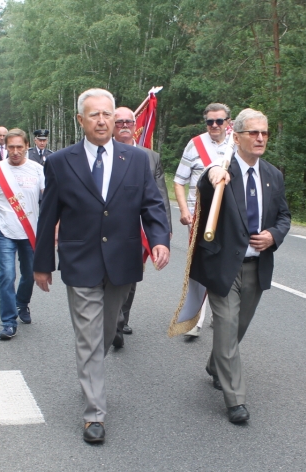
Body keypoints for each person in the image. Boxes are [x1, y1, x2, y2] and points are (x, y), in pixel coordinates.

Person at [33, 88, 171, 444]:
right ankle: (94, 413)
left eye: (107, 114)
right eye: (93, 114)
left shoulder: (137, 159)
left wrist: (159, 239)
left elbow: (153, 205)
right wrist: (42, 264)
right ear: (80, 120)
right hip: (80, 262)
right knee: (89, 337)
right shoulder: (60, 162)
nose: (101, 120)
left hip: (122, 261)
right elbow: (48, 217)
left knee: (107, 332)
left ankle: (89, 374)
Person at [191, 108, 291, 424]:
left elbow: (284, 216)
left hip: (256, 267)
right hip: (223, 265)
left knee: (237, 328)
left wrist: (273, 235)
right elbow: (207, 183)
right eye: (253, 133)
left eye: (264, 133)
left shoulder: (273, 175)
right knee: (226, 325)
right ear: (236, 137)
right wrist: (212, 174)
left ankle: (215, 365)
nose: (260, 138)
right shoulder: (222, 170)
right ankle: (235, 399)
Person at [109, 106, 172, 348]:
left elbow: (160, 195)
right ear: (112, 126)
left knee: (132, 273)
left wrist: (163, 230)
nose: (125, 126)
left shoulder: (150, 157)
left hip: (139, 227)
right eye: (120, 122)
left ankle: (121, 319)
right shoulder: (103, 153)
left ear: (136, 126)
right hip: (110, 226)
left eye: (129, 122)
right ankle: (112, 318)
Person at [173, 103, 234, 337]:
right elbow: (179, 180)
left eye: (219, 121)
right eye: (210, 121)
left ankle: (220, 310)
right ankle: (195, 317)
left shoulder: (236, 145)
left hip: (227, 217)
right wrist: (184, 210)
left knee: (224, 264)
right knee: (200, 264)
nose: (214, 125)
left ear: (228, 122)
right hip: (198, 216)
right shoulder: (194, 144)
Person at [0, 129, 44, 339]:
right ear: (5, 147)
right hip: (5, 231)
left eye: (19, 147)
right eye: (11, 147)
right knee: (7, 276)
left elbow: (50, 200)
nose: (15, 151)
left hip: (30, 232)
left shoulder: (37, 170)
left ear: (27, 146)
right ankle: (8, 322)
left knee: (29, 274)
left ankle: (22, 303)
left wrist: (54, 229)